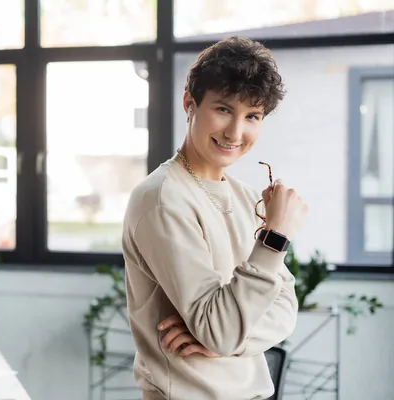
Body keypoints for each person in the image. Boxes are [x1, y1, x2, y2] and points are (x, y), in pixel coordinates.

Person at [122, 36, 308, 400]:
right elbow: (220, 330)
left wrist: (225, 340)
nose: (235, 133)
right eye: (223, 109)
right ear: (189, 103)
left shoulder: (244, 195)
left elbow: (285, 311)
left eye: (252, 116)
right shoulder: (162, 199)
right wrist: (274, 238)